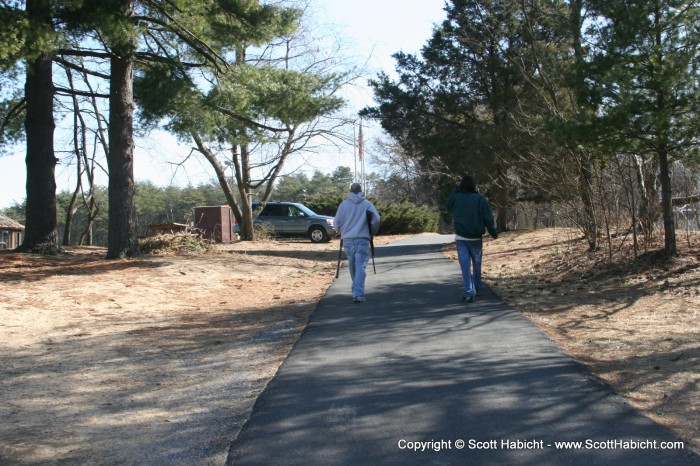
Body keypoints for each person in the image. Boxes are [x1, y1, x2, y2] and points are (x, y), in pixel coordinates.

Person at [446, 174, 498, 303]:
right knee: (477, 263)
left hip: (461, 238)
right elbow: (488, 218)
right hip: (476, 238)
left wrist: (455, 190)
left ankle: (469, 291)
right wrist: (493, 232)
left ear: (461, 185)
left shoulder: (456, 197)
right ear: (474, 185)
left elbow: (448, 206)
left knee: (464, 265)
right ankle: (478, 288)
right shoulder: (479, 199)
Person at [334, 183, 381, 303]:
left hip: (348, 240)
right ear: (361, 191)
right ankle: (358, 293)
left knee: (353, 266)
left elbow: (336, 223)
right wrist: (372, 231)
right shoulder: (367, 204)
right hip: (363, 239)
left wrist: (341, 231)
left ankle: (355, 291)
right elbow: (376, 219)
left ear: (350, 191)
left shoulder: (343, 205)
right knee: (360, 266)